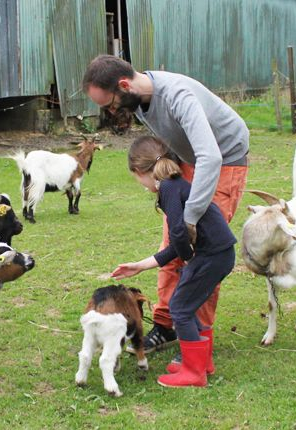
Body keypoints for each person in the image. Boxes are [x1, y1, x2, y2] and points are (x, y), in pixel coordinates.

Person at [83, 55, 249, 367]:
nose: (110, 112)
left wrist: (190, 218)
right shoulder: (140, 102)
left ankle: (199, 338)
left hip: (222, 159)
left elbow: (210, 156)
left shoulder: (175, 96)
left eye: (110, 104)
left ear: (123, 85)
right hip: (187, 158)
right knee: (172, 246)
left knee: (201, 254)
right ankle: (167, 324)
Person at [112, 136, 236, 388]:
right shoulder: (175, 184)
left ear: (139, 171)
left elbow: (178, 234)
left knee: (179, 307)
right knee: (186, 305)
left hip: (211, 256)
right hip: (219, 254)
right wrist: (141, 265)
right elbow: (175, 242)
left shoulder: (167, 188)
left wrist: (189, 259)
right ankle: (202, 363)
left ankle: (193, 372)